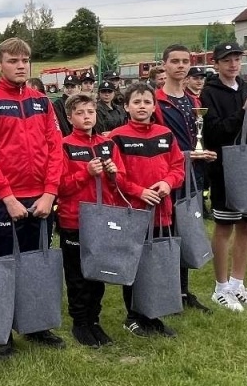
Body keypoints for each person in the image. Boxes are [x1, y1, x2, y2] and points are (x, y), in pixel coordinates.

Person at [0, 38, 66, 352]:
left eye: (25, 60)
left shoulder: (42, 102)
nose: (21, 65)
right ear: (0, 65)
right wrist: (7, 197)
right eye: (13, 61)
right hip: (6, 202)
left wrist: (50, 193)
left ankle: (36, 325)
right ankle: (3, 331)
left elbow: (55, 148)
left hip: (41, 199)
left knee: (37, 264)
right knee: (5, 265)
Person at [108, 82, 185, 336]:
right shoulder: (116, 137)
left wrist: (167, 183)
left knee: (156, 264)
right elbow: (115, 176)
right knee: (135, 265)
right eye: (137, 102)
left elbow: (178, 167)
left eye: (147, 102)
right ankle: (133, 316)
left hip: (162, 212)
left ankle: (152, 314)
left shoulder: (165, 134)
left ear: (154, 106)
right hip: (133, 213)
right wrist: (139, 191)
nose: (142, 106)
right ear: (126, 106)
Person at [202, 43, 247, 312]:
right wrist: (244, 113)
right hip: (224, 166)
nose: (233, 64)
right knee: (224, 226)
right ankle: (220, 287)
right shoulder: (209, 92)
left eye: (237, 59)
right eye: (227, 60)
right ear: (216, 63)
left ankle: (237, 283)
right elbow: (214, 132)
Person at [153, 45, 211, 312]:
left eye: (185, 61)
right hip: (167, 175)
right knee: (165, 233)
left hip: (192, 175)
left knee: (186, 231)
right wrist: (185, 155)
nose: (180, 66)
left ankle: (183, 291)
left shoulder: (194, 102)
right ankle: (165, 290)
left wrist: (202, 154)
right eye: (175, 61)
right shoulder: (156, 101)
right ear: (164, 64)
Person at [55, 93, 117, 346]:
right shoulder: (64, 146)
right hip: (75, 219)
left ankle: (94, 320)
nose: (86, 117)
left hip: (102, 218)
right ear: (70, 118)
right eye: (80, 113)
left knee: (98, 272)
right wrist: (86, 172)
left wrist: (113, 174)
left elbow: (118, 184)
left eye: (90, 112)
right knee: (78, 275)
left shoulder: (107, 144)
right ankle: (80, 322)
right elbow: (60, 186)